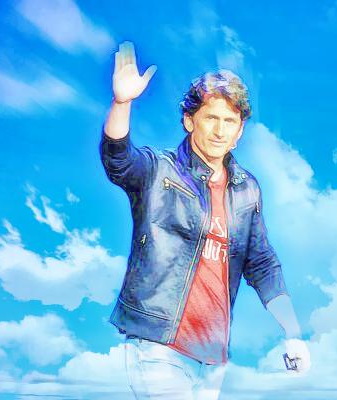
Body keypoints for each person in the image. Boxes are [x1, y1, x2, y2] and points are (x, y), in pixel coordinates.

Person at [100, 41, 311, 399]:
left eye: (230, 122)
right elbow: (119, 162)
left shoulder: (246, 189)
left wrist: (293, 333)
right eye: (211, 118)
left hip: (213, 356)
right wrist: (122, 103)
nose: (219, 131)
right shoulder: (160, 170)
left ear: (240, 131)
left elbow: (262, 263)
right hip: (160, 344)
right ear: (189, 121)